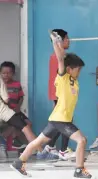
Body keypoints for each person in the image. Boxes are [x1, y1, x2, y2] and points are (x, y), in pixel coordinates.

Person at [10, 31, 93, 178]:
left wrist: (60, 44)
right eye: (78, 69)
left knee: (37, 143)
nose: (79, 72)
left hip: (57, 118)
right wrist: (55, 42)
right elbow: (61, 59)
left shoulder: (74, 80)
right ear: (69, 69)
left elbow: (64, 57)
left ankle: (19, 162)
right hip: (61, 119)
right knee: (82, 140)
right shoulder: (63, 77)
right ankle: (79, 170)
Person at [46, 29, 75, 160]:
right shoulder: (58, 57)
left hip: (61, 94)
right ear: (59, 41)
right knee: (65, 121)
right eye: (67, 38)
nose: (69, 41)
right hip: (59, 95)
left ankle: (51, 146)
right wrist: (56, 41)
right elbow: (62, 55)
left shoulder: (59, 56)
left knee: (61, 122)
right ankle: (63, 150)